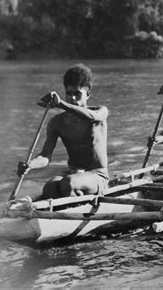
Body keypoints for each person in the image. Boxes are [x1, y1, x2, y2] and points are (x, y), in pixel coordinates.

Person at [17, 64, 109, 199]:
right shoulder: (57, 122)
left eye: (77, 94)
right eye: (69, 93)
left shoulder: (100, 112)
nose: (72, 98)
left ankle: (77, 206)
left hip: (97, 175)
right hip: (73, 173)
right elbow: (45, 156)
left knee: (68, 183)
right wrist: (30, 165)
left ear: (88, 94)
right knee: (49, 189)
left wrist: (60, 104)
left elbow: (92, 117)